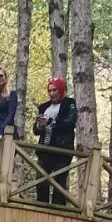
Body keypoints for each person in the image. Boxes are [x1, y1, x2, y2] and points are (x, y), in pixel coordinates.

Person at [32, 76, 77, 206]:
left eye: (55, 90)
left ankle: (58, 211)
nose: (52, 93)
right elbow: (36, 130)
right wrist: (40, 125)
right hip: (45, 150)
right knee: (40, 181)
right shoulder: (44, 107)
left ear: (61, 90)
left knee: (59, 183)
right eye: (49, 90)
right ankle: (41, 208)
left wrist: (51, 121)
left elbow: (69, 124)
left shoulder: (70, 104)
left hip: (62, 151)